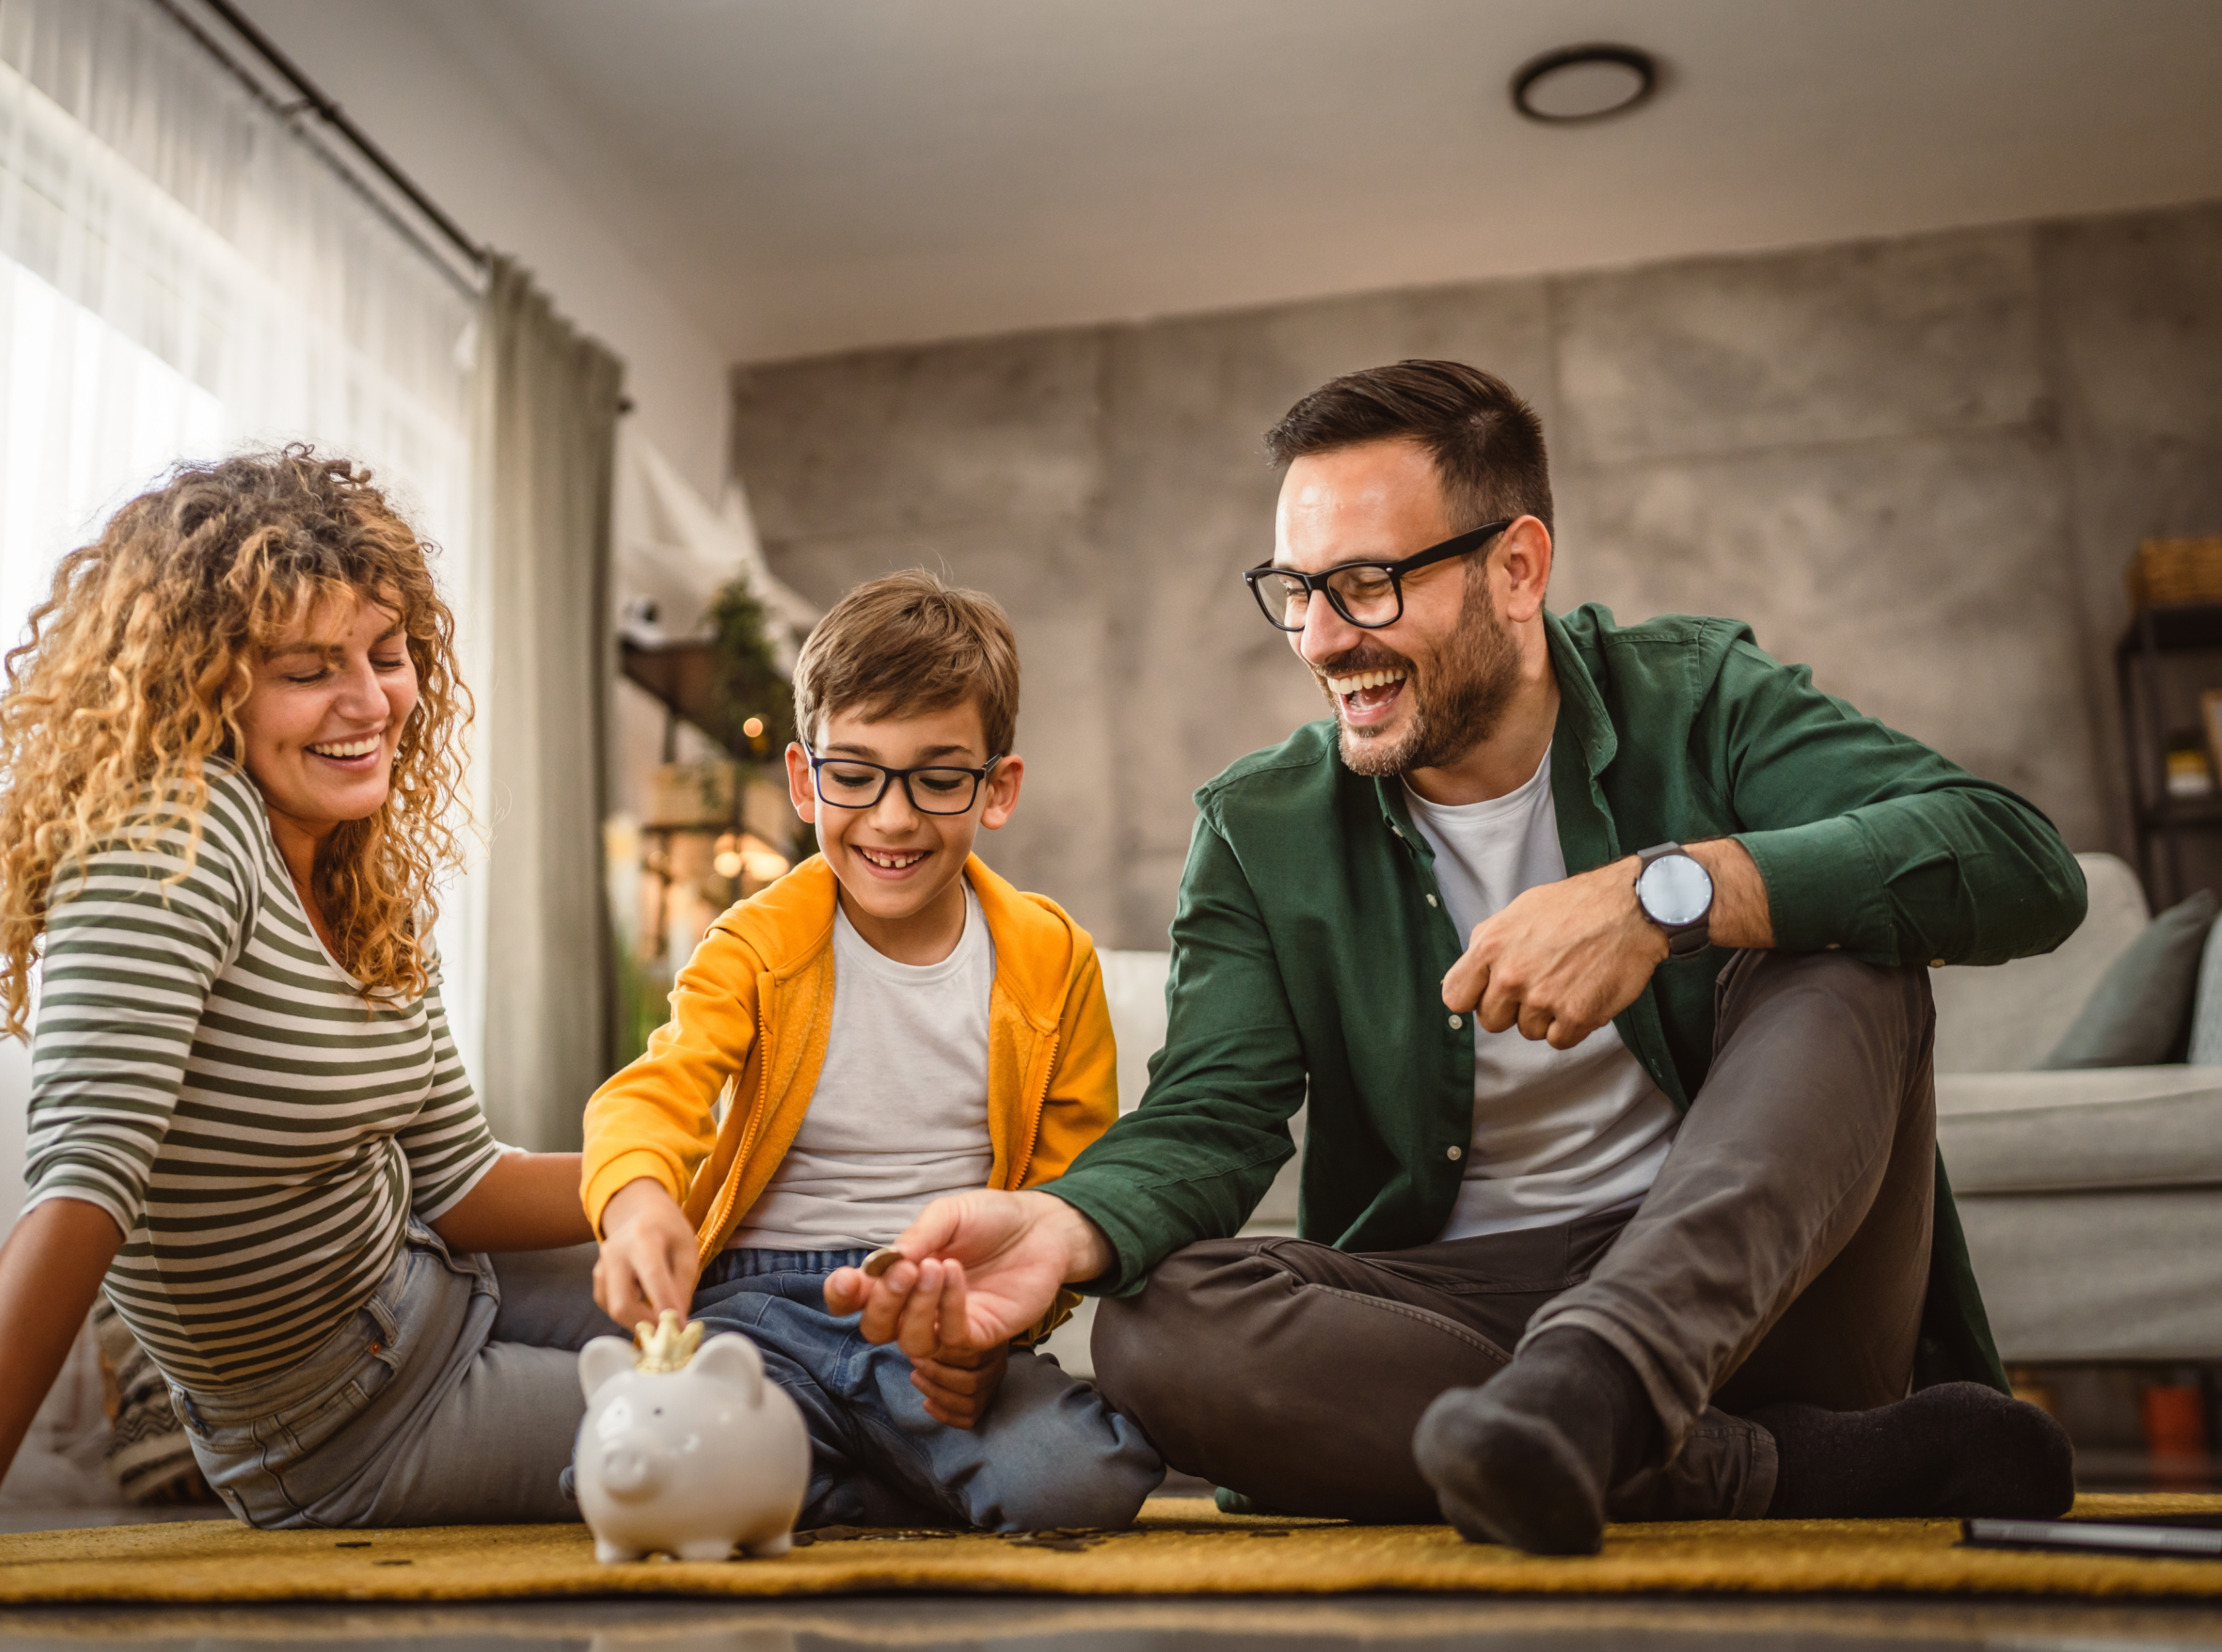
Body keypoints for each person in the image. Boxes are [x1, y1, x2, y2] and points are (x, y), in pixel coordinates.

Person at [838, 362, 2085, 1556]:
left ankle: (1607, 1381)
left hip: (1757, 1291)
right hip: (1460, 1323)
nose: (1322, 639)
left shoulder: (1701, 698)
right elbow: (1213, 1118)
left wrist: (1669, 893)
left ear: (1517, 568)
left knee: (1848, 946)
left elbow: (2016, 861)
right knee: (1155, 1324)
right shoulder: (1259, 824)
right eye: (1295, 590)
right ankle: (1763, 1466)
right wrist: (1064, 1224)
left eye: (1368, 584)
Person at [0, 450, 607, 1586]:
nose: (371, 703)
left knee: (771, 1298)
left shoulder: (361, 872)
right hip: (350, 1429)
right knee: (771, 1418)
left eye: (389, 654)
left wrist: (701, 1165)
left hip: (441, 1293)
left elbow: (460, 1183)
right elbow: (83, 1184)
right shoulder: (171, 837)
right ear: (206, 681)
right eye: (309, 670)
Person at [584, 571, 1162, 1531]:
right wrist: (639, 1201)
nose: (893, 818)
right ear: (806, 780)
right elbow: (653, 1094)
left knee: (1088, 1477)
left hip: (941, 1315)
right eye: (855, 775)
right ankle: (882, 1484)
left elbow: (1070, 1183)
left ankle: (824, 1489)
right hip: (758, 1312)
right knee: (672, 1465)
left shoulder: (1052, 959)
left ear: (999, 788)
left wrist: (996, 1335)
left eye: (939, 779)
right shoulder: (755, 944)